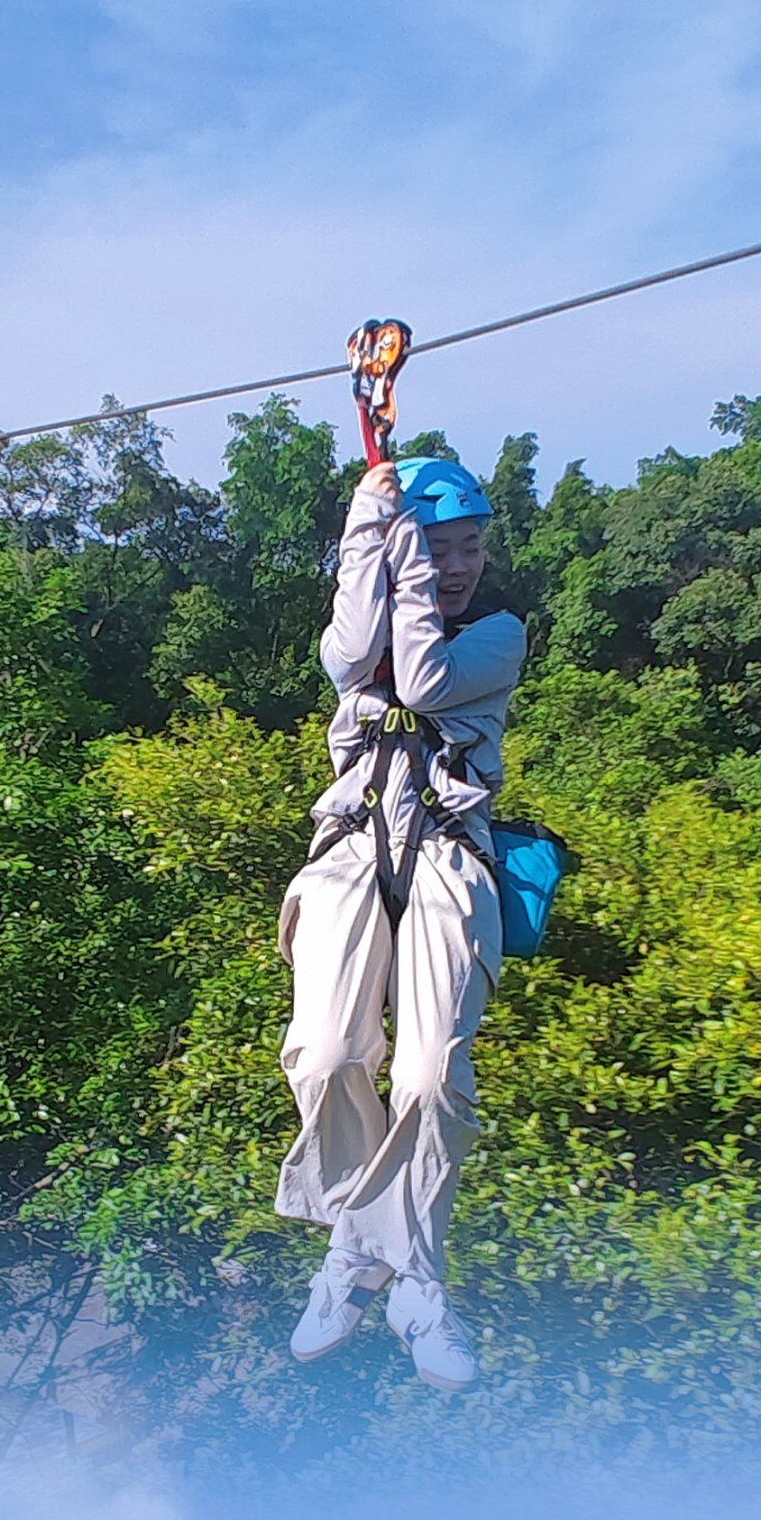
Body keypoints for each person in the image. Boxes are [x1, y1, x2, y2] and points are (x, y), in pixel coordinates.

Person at [277, 452, 526, 1393]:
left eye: (468, 547)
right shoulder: (380, 603)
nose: (456, 565)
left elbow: (419, 682)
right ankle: (361, 1249)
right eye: (438, 546)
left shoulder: (500, 633)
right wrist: (365, 528)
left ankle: (409, 1280)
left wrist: (408, 561)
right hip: (351, 844)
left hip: (449, 850)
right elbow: (349, 656)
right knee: (329, 1055)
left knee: (427, 1074)